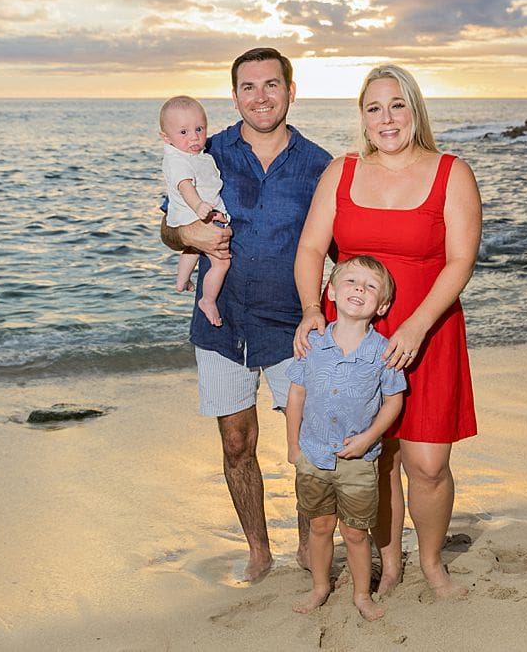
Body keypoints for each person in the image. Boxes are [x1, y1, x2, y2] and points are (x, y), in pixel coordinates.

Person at [293, 64, 482, 599]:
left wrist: (419, 325)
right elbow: (310, 248)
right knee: (373, 457)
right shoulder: (342, 171)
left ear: (415, 109)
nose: (386, 118)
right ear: (362, 117)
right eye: (374, 108)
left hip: (429, 329)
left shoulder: (452, 172)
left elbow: (461, 260)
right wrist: (312, 310)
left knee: (427, 463)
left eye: (397, 104)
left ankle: (431, 563)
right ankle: (390, 565)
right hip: (352, 337)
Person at [161, 48, 332, 582]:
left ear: (291, 90)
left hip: (294, 326)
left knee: (309, 445)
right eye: (249, 87)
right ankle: (259, 550)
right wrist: (186, 235)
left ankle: (309, 545)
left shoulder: (319, 165)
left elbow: (342, 249)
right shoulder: (202, 152)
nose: (261, 96)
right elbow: (170, 228)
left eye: (271, 85)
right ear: (234, 95)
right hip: (223, 323)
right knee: (237, 443)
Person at [286, 255, 406, 621]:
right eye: (352, 282)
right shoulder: (313, 344)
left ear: (382, 305)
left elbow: (393, 401)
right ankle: (320, 586)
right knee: (320, 526)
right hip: (313, 454)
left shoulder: (382, 353)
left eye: (371, 287)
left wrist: (370, 438)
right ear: (332, 292)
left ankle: (361, 594)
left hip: (358, 461)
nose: (360, 290)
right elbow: (296, 395)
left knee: (355, 533)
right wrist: (293, 447)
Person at [159, 95, 230, 326]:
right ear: (166, 138)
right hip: (196, 213)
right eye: (183, 132)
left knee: (192, 249)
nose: (194, 137)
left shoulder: (196, 154)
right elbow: (185, 186)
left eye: (199, 129)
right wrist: (199, 207)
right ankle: (207, 300)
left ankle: (182, 281)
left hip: (192, 215)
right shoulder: (179, 160)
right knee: (221, 263)